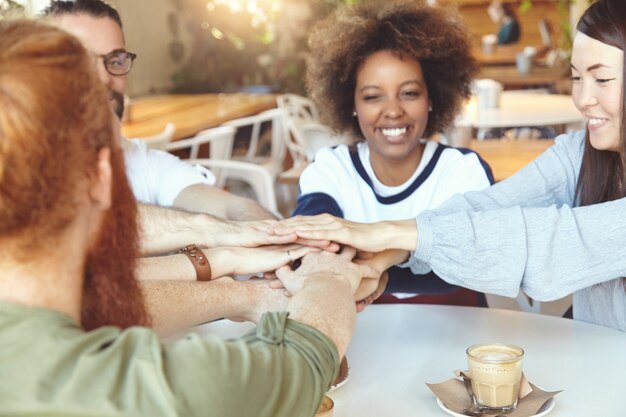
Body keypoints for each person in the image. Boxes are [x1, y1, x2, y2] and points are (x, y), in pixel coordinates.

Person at [0, 19, 373, 415]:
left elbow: (100, 296)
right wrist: (330, 279)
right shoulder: (148, 388)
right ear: (102, 175)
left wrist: (235, 266)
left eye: (112, 60)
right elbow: (297, 362)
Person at [272, 0, 626, 332]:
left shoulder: (460, 167)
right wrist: (381, 258)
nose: (582, 99)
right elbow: (483, 210)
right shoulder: (578, 154)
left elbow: (547, 247)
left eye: (603, 79)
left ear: (432, 98)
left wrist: (385, 234)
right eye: (577, 78)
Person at [293, 0, 492, 307]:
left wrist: (368, 264)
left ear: (432, 97)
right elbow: (310, 251)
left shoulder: (461, 171)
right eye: (373, 97)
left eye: (409, 93)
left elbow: (468, 262)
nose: (393, 111)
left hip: (456, 328)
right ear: (352, 105)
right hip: (361, 328)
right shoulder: (332, 168)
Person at [42, 0, 275, 221]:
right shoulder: (14, 171)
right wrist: (204, 248)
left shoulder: (141, 160)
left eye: (115, 61)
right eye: (80, 60)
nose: (104, 78)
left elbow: (233, 208)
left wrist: (277, 241)